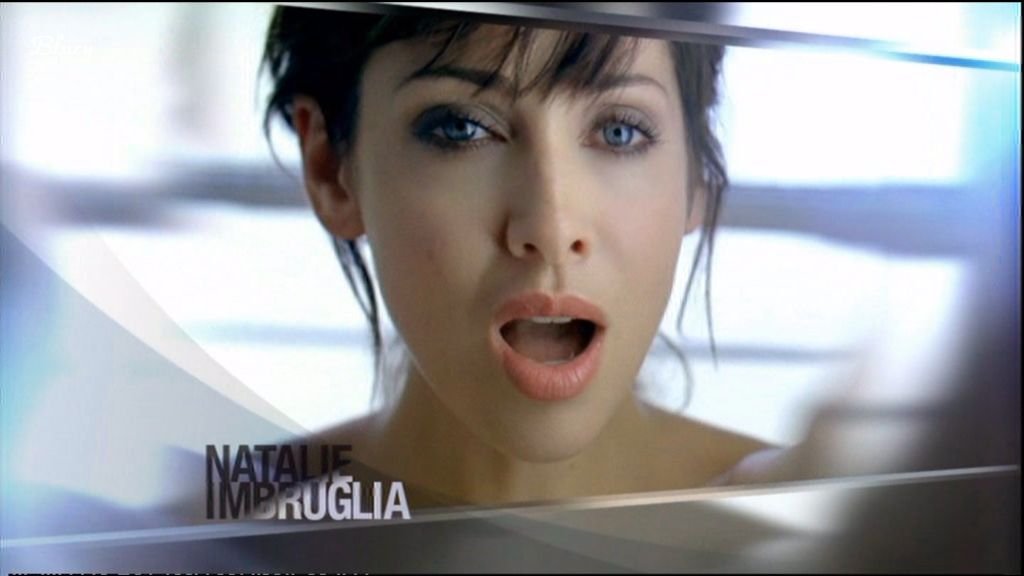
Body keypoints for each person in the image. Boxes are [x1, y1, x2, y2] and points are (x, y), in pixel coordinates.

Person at [260, 5, 774, 507]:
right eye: (461, 128)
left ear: (695, 175)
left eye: (619, 130)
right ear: (329, 170)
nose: (551, 229)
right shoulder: (228, 532)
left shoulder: (798, 520)